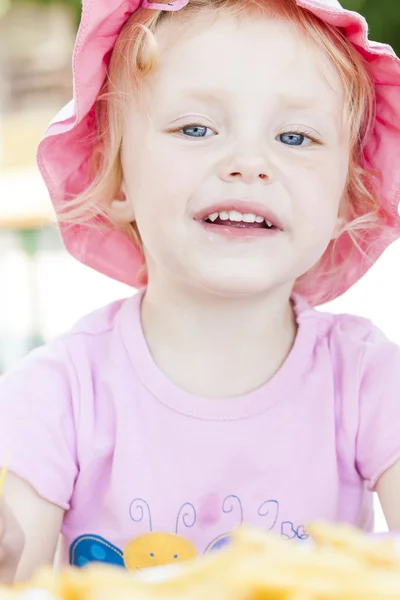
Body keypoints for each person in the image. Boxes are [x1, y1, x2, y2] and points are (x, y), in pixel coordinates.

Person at [1, 0, 400, 585]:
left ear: (346, 201)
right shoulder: (60, 394)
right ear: (114, 178)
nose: (248, 163)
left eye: (295, 135)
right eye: (195, 128)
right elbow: (16, 573)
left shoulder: (366, 380)